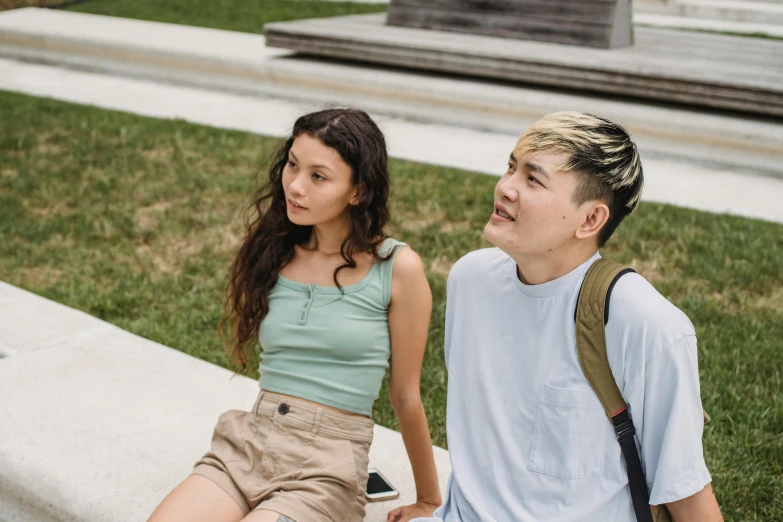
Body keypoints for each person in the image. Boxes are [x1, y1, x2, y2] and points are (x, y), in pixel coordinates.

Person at [411, 112, 722, 522]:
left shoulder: (648, 325)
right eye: (510, 167)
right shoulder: (471, 282)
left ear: (590, 219)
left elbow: (687, 495)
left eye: (533, 179)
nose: (505, 188)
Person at [148, 108, 441, 522]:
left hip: (325, 469)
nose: (295, 186)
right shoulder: (276, 249)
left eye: (318, 176)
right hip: (248, 446)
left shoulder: (396, 268)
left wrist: (428, 499)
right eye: (292, 165)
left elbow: (406, 395)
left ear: (357, 191)